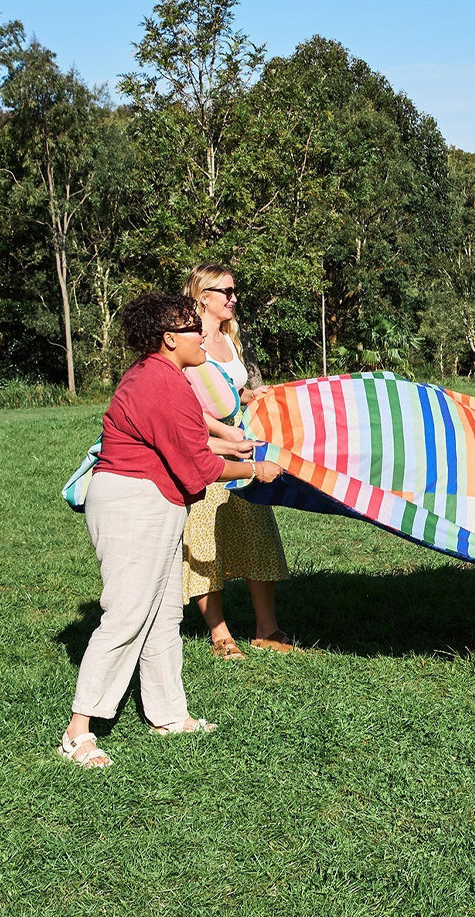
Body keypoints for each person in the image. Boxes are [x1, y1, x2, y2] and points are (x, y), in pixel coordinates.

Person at [59, 294, 282, 768]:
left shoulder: (164, 377)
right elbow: (196, 464)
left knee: (163, 613)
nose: (201, 334)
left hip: (155, 501)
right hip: (131, 504)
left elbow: (187, 435)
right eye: (190, 328)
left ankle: (168, 715)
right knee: (127, 614)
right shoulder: (160, 382)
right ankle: (79, 729)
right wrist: (252, 469)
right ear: (168, 339)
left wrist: (233, 444)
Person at [181, 264, 294, 661]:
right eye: (225, 291)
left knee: (256, 530)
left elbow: (224, 390)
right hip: (205, 447)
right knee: (204, 541)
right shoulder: (185, 340)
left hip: (244, 445)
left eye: (233, 290)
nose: (233, 297)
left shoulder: (230, 340)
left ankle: (268, 628)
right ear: (203, 296)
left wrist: (248, 395)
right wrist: (223, 433)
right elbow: (185, 402)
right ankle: (220, 635)